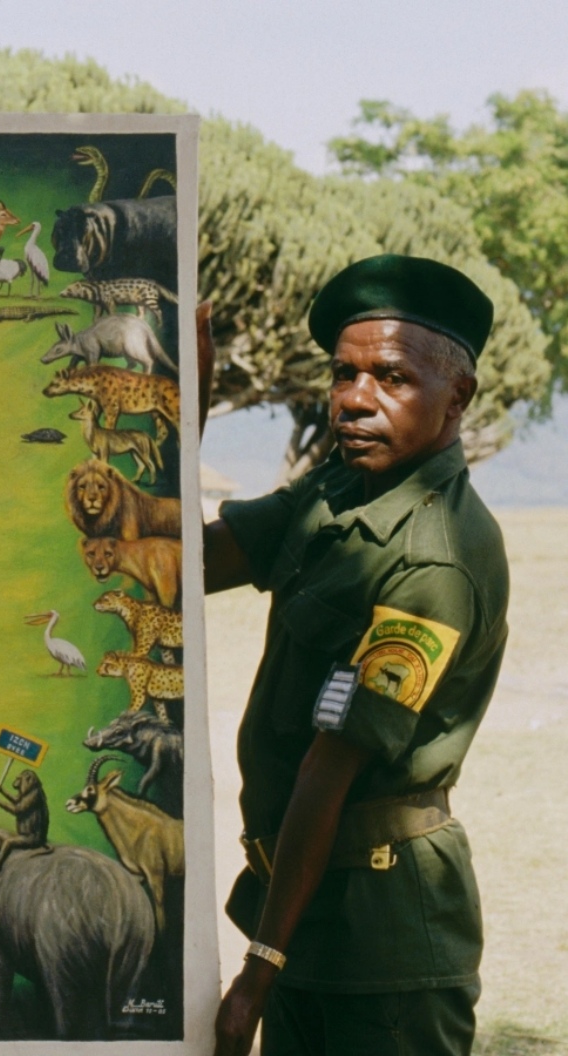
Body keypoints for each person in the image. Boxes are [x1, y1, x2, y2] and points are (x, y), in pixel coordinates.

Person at [204, 256, 508, 1056]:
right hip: (306, 912)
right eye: (343, 374)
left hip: (383, 951)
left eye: (392, 377)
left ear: (458, 398)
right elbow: (182, 565)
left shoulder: (434, 560)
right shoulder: (338, 492)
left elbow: (327, 767)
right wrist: (185, 394)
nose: (356, 399)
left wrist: (258, 970)